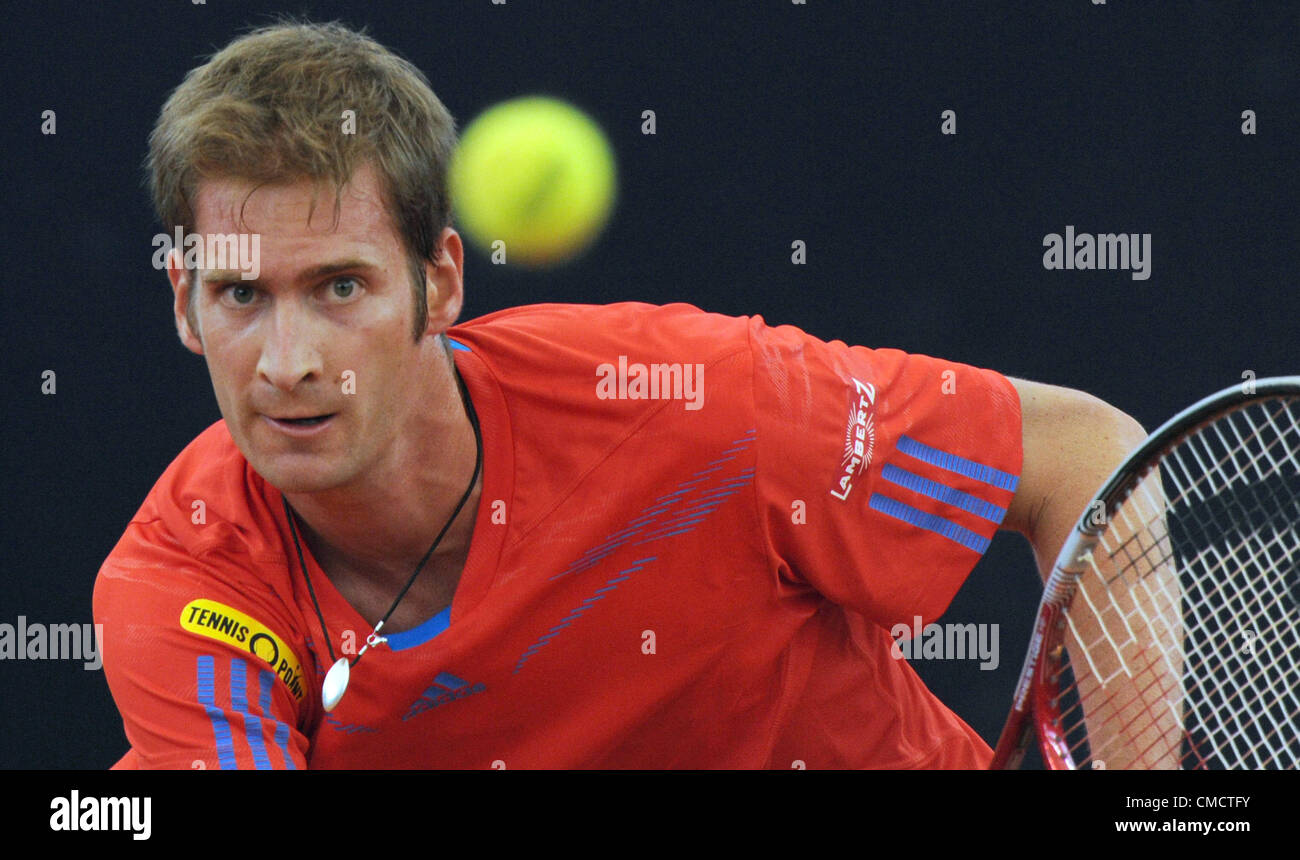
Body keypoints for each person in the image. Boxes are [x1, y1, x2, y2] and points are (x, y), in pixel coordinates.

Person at [95, 20, 1147, 769]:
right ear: (185, 304)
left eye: (340, 286)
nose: (287, 359)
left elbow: (1083, 457)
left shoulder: (692, 405)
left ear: (441, 282)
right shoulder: (185, 585)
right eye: (242, 292)